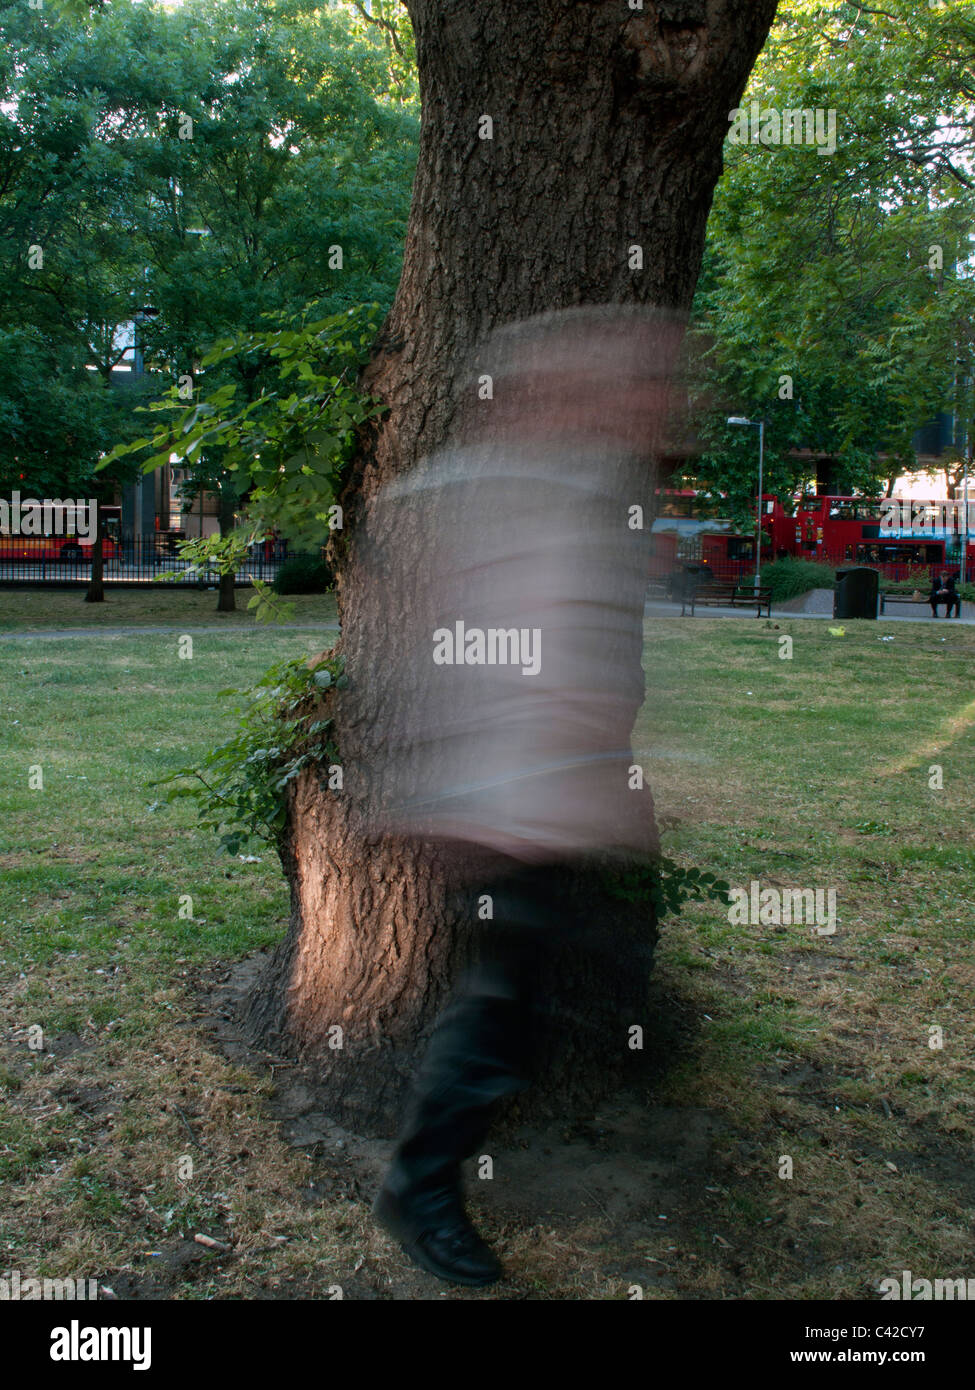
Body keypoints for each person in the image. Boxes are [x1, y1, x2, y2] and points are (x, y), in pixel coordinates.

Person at [353, 307, 686, 1286]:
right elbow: (451, 661)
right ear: (560, 393)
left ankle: (433, 1171)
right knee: (495, 1010)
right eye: (634, 390)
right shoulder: (483, 493)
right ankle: (419, 1185)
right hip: (495, 809)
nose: (654, 410)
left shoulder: (578, 488)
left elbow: (575, 657)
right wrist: (445, 789)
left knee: (516, 997)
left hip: (543, 806)